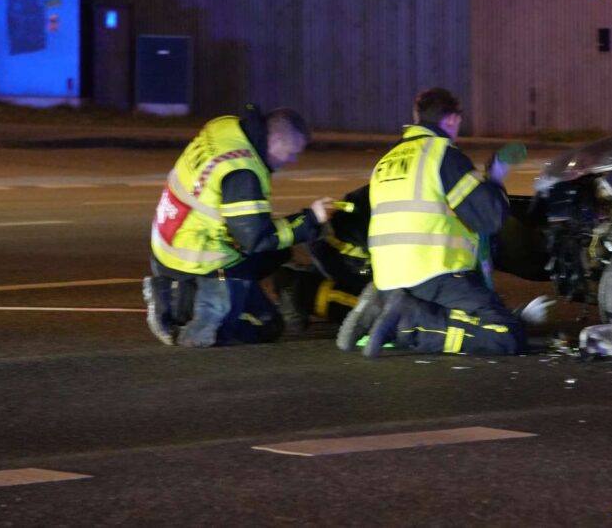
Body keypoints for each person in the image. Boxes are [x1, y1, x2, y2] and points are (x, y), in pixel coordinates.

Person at [338, 86, 552, 357]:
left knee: (458, 320)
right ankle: (406, 320)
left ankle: (382, 305)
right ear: (452, 119)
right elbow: (489, 217)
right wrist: (495, 178)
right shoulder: (442, 154)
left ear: (417, 116)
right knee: (504, 334)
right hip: (433, 274)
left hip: (388, 277)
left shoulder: (386, 161)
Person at [142, 105, 333, 347]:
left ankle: (175, 289)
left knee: (277, 260)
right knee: (256, 327)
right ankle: (174, 307)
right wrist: (311, 219)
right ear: (275, 140)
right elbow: (257, 239)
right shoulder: (242, 171)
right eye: (291, 152)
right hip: (198, 257)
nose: (293, 161)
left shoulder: (227, 127)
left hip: (169, 238)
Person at [272, 184, 374, 332]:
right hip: (351, 260)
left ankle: (317, 280)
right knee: (381, 311)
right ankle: (303, 290)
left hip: (353, 254)